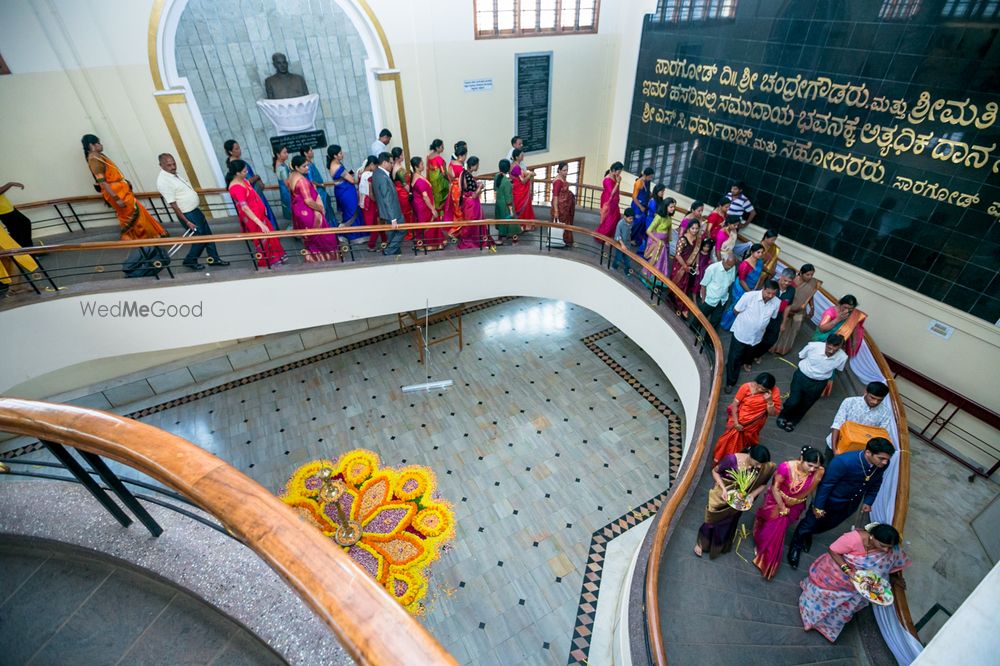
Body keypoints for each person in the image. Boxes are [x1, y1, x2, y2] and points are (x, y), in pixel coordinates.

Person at [787, 438, 896, 568]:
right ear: (868, 453)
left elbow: (876, 481)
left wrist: (868, 501)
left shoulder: (882, 465)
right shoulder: (843, 461)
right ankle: (795, 546)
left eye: (887, 459)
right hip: (828, 502)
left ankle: (809, 534)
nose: (885, 462)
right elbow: (826, 484)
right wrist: (818, 506)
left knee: (828, 525)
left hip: (850, 505)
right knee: (809, 523)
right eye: (881, 458)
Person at [799, 523, 910, 642]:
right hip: (837, 575)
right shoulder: (853, 539)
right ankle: (812, 617)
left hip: (860, 584)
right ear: (872, 536)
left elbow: (893, 561)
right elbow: (833, 551)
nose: (886, 550)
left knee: (844, 607)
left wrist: (894, 578)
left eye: (889, 547)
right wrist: (848, 571)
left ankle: (828, 626)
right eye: (882, 545)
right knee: (824, 599)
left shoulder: (891, 548)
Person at [753, 447, 824, 580]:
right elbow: (775, 488)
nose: (812, 470)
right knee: (773, 529)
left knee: (777, 529)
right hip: (777, 501)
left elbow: (813, 489)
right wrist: (782, 507)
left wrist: (816, 505)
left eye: (816, 467)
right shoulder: (785, 468)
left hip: (797, 504)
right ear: (801, 459)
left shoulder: (818, 472)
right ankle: (766, 557)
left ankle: (764, 543)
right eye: (810, 465)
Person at [694, 445, 774, 559]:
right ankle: (702, 543)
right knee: (713, 519)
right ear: (750, 455)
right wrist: (723, 488)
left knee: (729, 522)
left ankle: (720, 545)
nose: (758, 467)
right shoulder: (732, 460)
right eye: (756, 463)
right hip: (723, 496)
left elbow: (763, 484)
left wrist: (751, 495)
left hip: (739, 500)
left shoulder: (760, 467)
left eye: (760, 465)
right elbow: (715, 472)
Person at [82, 135, 167, 241]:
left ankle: (149, 235)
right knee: (131, 215)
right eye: (99, 143)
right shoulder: (94, 159)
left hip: (122, 190)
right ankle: (140, 238)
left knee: (137, 212)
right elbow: (102, 182)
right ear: (91, 145)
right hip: (117, 193)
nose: (101, 145)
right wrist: (117, 198)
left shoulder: (99, 156)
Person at [156, 153, 228, 270]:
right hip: (188, 214)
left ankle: (214, 259)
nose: (173, 167)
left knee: (208, 235)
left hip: (195, 210)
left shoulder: (174, 174)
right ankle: (190, 260)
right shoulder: (163, 181)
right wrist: (187, 222)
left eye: (174, 164)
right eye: (169, 165)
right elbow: (173, 205)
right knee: (200, 238)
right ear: (161, 165)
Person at [776, 335, 848, 432]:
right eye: (829, 348)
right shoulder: (813, 347)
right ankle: (783, 415)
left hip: (819, 383)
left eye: (835, 349)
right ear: (826, 343)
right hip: (801, 377)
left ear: (840, 347)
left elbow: (839, 368)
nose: (831, 351)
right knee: (793, 400)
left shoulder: (843, 357)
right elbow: (801, 355)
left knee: (806, 403)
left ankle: (794, 420)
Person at [724, 279, 780, 392]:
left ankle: (734, 366)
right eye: (768, 293)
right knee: (734, 357)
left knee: (744, 355)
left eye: (773, 294)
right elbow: (736, 310)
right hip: (742, 332)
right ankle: (730, 382)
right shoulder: (749, 296)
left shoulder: (777, 302)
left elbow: (773, 317)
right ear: (763, 289)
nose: (770, 296)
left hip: (757, 336)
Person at [226, 159, 284, 267]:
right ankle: (267, 262)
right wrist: (259, 223)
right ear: (237, 173)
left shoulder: (243, 180)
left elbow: (254, 194)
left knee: (270, 236)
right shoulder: (236, 187)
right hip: (253, 218)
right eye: (244, 171)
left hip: (260, 214)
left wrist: (263, 206)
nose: (246, 173)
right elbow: (245, 208)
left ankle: (276, 258)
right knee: (262, 240)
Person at [712, 373, 781, 462]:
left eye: (762, 389)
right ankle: (723, 459)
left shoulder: (774, 392)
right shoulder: (746, 387)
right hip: (738, 422)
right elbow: (734, 405)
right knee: (728, 441)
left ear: (769, 389)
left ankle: (743, 454)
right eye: (757, 386)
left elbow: (772, 413)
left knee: (746, 441)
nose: (758, 389)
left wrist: (769, 401)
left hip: (754, 425)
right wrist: (736, 423)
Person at [288, 155, 340, 262]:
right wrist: (320, 208)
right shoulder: (302, 181)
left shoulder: (291, 176)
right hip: (308, 212)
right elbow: (308, 201)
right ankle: (326, 258)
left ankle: (314, 257)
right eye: (304, 166)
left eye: (307, 165)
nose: (307, 168)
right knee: (326, 238)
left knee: (312, 239)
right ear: (297, 168)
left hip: (299, 212)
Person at [826, 382, 892, 463]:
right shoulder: (850, 402)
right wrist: (834, 449)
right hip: (837, 445)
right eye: (872, 398)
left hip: (859, 453)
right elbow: (837, 425)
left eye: (879, 400)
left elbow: (881, 435)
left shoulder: (885, 412)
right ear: (866, 392)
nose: (875, 402)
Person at [224, 139, 278, 230]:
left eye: (239, 148)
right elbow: (245, 180)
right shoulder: (234, 165)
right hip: (250, 194)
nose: (239, 150)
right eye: (236, 149)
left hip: (254, 190)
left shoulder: (239, 161)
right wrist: (257, 177)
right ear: (230, 151)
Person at [749, 267, 796, 364]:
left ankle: (757, 354)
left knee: (770, 340)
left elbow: (788, 307)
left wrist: (784, 322)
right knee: (756, 337)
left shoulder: (792, 290)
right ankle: (748, 360)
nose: (786, 283)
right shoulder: (772, 286)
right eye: (785, 280)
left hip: (777, 317)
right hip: (765, 315)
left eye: (789, 282)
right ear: (781, 276)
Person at [772, 264, 821, 355]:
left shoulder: (813, 282)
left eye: (812, 275)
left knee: (794, 329)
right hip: (787, 309)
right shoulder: (791, 281)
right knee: (782, 329)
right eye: (808, 275)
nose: (810, 277)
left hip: (800, 311)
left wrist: (812, 307)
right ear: (801, 273)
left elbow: (810, 296)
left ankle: (784, 349)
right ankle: (774, 347)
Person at [719, 243, 766, 330]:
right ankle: (725, 324)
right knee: (736, 306)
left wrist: (755, 288)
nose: (760, 254)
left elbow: (759, 275)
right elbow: (741, 280)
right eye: (758, 252)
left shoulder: (760, 262)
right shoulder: (745, 264)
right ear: (752, 252)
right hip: (741, 288)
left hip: (752, 288)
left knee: (744, 308)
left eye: (762, 252)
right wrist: (750, 292)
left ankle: (736, 325)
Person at [327, 145, 365, 242]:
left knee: (348, 211)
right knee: (352, 212)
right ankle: (354, 235)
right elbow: (352, 180)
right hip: (346, 191)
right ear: (335, 156)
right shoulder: (338, 166)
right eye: (340, 153)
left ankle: (351, 233)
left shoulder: (333, 163)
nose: (342, 154)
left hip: (341, 190)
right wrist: (359, 175)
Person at [372, 152, 406, 256]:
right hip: (392, 211)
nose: (392, 165)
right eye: (391, 163)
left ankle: (394, 250)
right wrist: (393, 219)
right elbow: (387, 198)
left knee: (392, 233)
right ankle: (390, 250)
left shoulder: (377, 173)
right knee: (402, 230)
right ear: (385, 162)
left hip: (386, 211)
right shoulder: (382, 177)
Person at [410, 156, 446, 251]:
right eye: (421, 164)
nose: (423, 166)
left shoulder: (416, 176)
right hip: (424, 206)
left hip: (421, 205)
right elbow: (425, 197)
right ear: (416, 167)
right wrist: (432, 209)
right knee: (428, 224)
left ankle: (429, 242)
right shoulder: (419, 180)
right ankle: (429, 243)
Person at [457, 156, 494, 250]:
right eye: (477, 164)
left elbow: (463, 189)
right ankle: (475, 241)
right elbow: (474, 195)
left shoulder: (463, 173)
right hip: (472, 204)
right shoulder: (468, 176)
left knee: (469, 223)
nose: (478, 166)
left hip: (466, 202)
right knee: (474, 223)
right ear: (474, 165)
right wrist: (480, 187)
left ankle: (467, 240)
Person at [670, 219, 702, 317]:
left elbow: (696, 254)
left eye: (697, 228)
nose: (695, 230)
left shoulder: (697, 240)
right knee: (679, 284)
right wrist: (684, 266)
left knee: (685, 286)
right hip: (680, 265)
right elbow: (677, 255)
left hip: (689, 267)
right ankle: (680, 306)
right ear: (688, 228)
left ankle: (681, 306)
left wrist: (696, 266)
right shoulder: (682, 239)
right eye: (693, 228)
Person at [698, 253, 738, 331]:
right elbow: (703, 285)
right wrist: (703, 300)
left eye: (731, 266)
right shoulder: (712, 268)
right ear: (723, 260)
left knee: (715, 322)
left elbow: (730, 282)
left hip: (722, 300)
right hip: (709, 299)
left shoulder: (732, 267)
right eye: (728, 265)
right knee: (699, 320)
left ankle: (708, 341)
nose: (729, 268)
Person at [641, 199, 675, 283]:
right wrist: (658, 241)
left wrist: (666, 244)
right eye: (671, 207)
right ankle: (647, 277)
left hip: (664, 244)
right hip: (656, 243)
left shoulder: (669, 218)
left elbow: (668, 231)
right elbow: (648, 231)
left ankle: (655, 280)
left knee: (661, 262)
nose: (673, 209)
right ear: (665, 207)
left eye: (674, 207)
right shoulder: (659, 217)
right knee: (654, 260)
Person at [300, 146, 334, 224]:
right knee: (323, 210)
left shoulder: (311, 163)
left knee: (328, 209)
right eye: (310, 151)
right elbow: (311, 181)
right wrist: (320, 185)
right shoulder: (307, 165)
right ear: (305, 153)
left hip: (321, 190)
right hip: (318, 191)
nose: (312, 152)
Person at [358, 156, 383, 251]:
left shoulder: (360, 172)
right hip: (371, 202)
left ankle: (383, 241)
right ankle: (371, 245)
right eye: (376, 166)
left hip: (363, 201)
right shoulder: (369, 176)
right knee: (376, 224)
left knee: (375, 223)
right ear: (372, 165)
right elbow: (371, 193)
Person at [594, 162, 624, 243]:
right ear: (613, 170)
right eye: (619, 171)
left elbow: (617, 190)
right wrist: (618, 182)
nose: (620, 173)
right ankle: (601, 236)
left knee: (616, 218)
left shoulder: (616, 177)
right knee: (609, 220)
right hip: (608, 201)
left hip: (614, 201)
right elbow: (612, 192)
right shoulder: (607, 180)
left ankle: (609, 236)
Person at [632, 184, 665, 254]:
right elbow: (655, 212)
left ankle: (648, 252)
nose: (663, 193)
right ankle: (643, 251)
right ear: (657, 191)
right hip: (650, 220)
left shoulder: (660, 200)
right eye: (661, 191)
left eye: (663, 191)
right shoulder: (653, 200)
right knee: (648, 236)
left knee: (652, 237)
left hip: (655, 220)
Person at [390, 147, 415, 233]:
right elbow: (405, 186)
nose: (403, 156)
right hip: (403, 194)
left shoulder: (394, 166)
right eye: (402, 155)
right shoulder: (399, 170)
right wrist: (411, 193)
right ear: (397, 157)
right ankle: (408, 232)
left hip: (399, 192)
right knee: (407, 213)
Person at [0, 181, 32, 248]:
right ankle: (24, 252)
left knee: (25, 224)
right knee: (16, 232)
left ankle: (28, 248)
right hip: (4, 212)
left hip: (9, 209)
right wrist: (10, 184)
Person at [550, 162, 575, 247]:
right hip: (560, 207)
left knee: (565, 223)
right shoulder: (558, 181)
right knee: (561, 223)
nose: (566, 172)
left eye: (567, 170)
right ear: (559, 170)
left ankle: (565, 241)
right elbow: (555, 197)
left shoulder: (563, 178)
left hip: (565, 206)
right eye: (564, 170)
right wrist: (556, 210)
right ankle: (560, 240)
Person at [510, 148, 535, 230]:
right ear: (517, 157)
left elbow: (521, 174)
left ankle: (524, 225)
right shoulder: (516, 167)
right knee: (524, 208)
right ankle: (524, 226)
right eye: (521, 155)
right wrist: (530, 174)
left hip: (519, 190)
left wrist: (528, 173)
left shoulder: (515, 165)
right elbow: (523, 181)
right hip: (520, 191)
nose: (523, 156)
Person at [443, 141, 467, 228]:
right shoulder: (460, 167)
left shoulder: (451, 163)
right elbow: (463, 182)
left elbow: (449, 176)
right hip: (459, 189)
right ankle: (457, 229)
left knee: (454, 208)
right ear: (462, 155)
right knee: (460, 209)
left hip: (453, 187)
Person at [493, 159, 517, 244]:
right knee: (512, 223)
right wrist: (511, 209)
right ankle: (515, 240)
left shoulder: (496, 176)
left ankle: (500, 239)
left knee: (500, 221)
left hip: (498, 203)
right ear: (508, 168)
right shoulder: (507, 182)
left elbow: (496, 188)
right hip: (505, 205)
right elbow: (508, 198)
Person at [426, 139, 449, 220]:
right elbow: (444, 173)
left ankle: (436, 216)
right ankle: (442, 217)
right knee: (443, 199)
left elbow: (428, 170)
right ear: (437, 148)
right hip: (440, 184)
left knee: (435, 199)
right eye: (442, 147)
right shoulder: (439, 159)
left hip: (432, 182)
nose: (443, 148)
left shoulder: (429, 157)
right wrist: (449, 181)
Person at [611, 208, 635, 275]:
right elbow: (617, 235)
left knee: (627, 260)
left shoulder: (631, 223)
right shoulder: (620, 224)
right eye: (630, 218)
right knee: (618, 258)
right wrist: (622, 245)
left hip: (627, 244)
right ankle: (614, 268)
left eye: (632, 218)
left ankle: (627, 271)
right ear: (625, 217)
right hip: (620, 245)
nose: (631, 220)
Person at [273, 146, 292, 223]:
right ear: (278, 154)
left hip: (284, 191)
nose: (287, 154)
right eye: (284, 152)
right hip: (287, 192)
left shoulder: (281, 164)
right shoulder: (281, 167)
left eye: (287, 152)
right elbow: (287, 183)